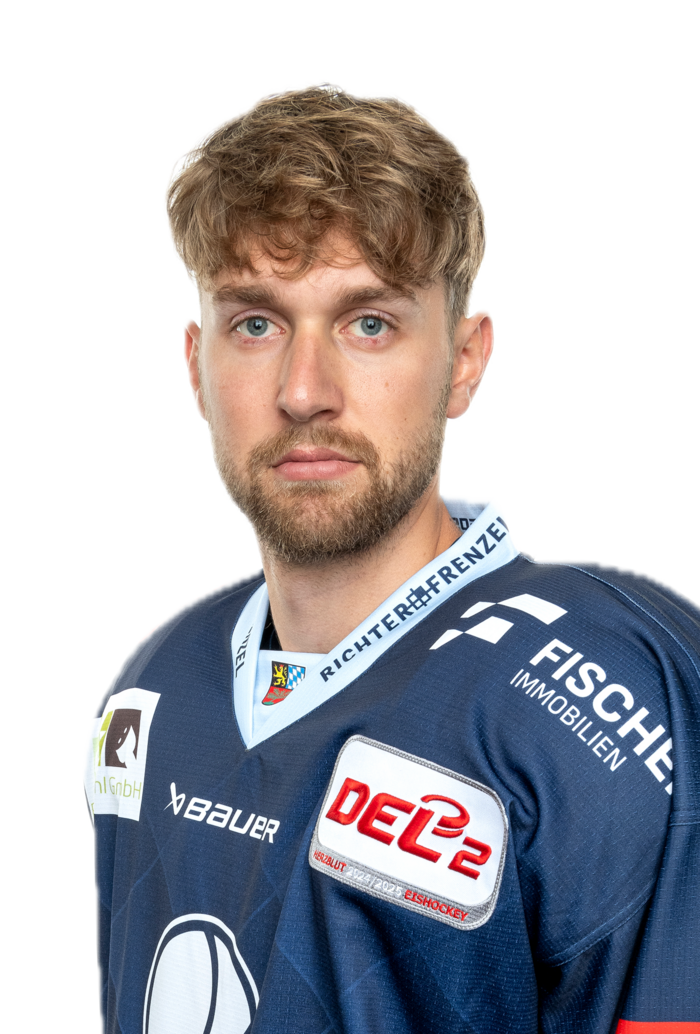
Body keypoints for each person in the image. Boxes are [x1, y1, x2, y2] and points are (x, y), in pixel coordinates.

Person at [82, 81, 700, 1034]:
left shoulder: (602, 687)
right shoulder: (156, 679)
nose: (304, 391)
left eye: (368, 322)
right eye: (257, 323)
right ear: (195, 365)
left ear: (465, 361)